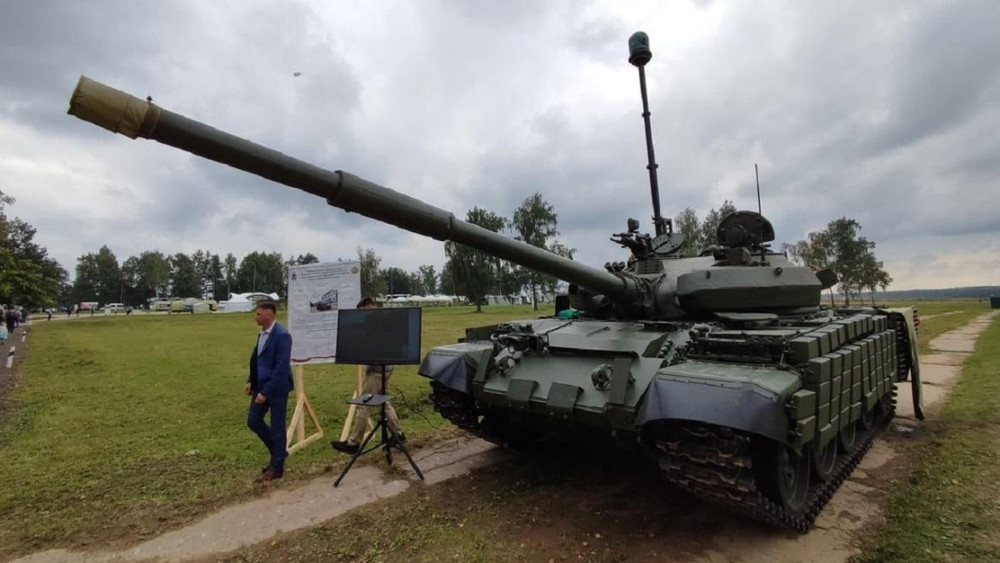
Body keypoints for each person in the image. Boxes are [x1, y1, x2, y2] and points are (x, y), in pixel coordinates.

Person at [331, 297, 407, 454]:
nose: (362, 315)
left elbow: (372, 344)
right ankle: (398, 435)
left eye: (362, 312)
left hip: (377, 370)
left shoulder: (373, 322)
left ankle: (354, 443)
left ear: (367, 307)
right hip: (387, 367)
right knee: (383, 402)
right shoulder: (383, 319)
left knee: (364, 405)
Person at [244, 301, 293, 482]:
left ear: (269, 315)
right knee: (253, 421)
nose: (255, 317)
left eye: (258, 314)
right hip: (260, 385)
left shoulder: (282, 335)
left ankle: (277, 467)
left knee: (277, 427)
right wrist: (251, 380)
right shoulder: (263, 333)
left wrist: (266, 392)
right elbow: (258, 360)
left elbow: (281, 368)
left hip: (277, 388)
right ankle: (279, 453)